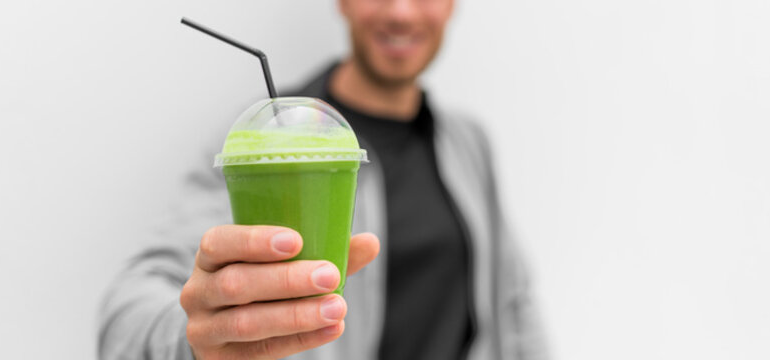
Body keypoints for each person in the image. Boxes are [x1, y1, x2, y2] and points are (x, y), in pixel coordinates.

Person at [99, 0, 546, 359]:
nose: (401, 11)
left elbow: (512, 303)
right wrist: (199, 339)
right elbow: (129, 314)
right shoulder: (265, 146)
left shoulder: (466, 143)